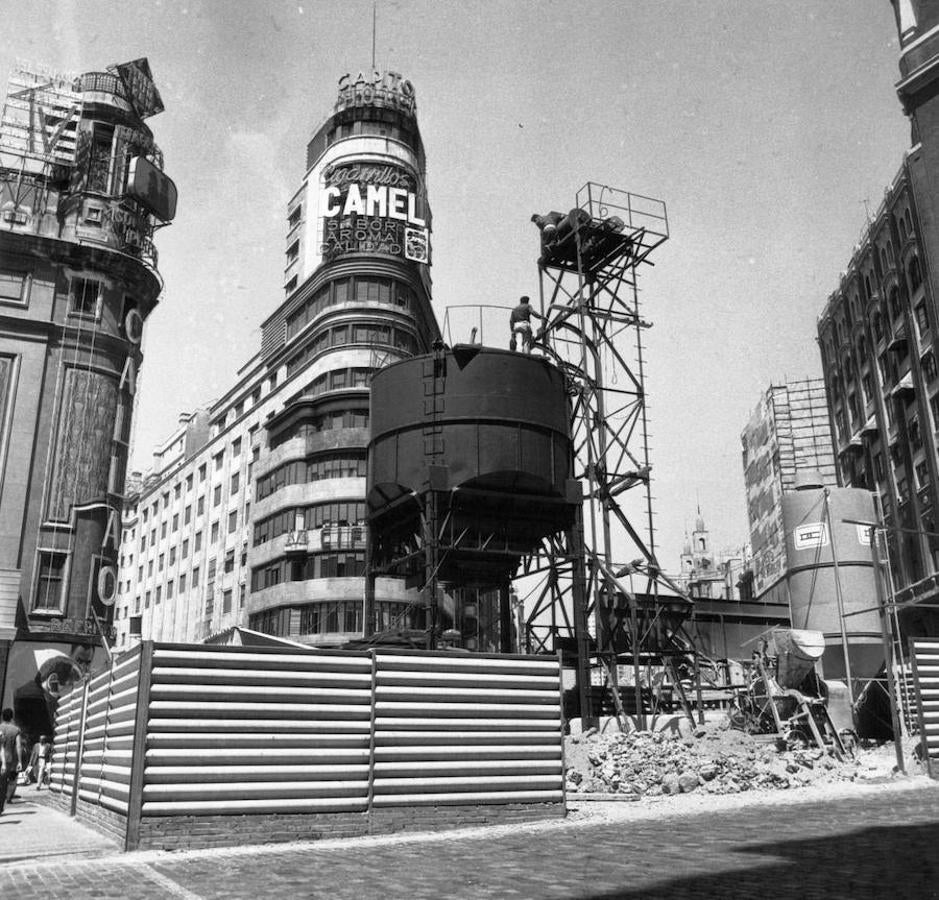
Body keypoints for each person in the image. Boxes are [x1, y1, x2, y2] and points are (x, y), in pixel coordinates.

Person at [0, 707, 24, 814]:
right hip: (8, 759)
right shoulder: (16, 730)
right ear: (11, 717)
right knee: (4, 783)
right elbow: (18, 746)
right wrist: (19, 761)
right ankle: (0, 807)